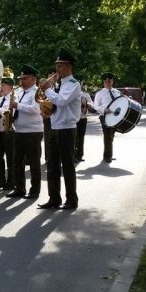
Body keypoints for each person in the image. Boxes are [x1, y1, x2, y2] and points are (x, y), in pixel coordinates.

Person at [38, 48, 82, 210]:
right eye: (57, 65)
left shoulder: (73, 84)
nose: (57, 69)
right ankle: (54, 198)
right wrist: (47, 112)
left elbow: (62, 101)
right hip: (54, 127)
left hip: (67, 129)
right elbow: (56, 105)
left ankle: (71, 199)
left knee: (68, 165)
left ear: (69, 66)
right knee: (52, 164)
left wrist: (47, 89)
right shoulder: (59, 84)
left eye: (60, 65)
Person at [6, 65, 43, 199]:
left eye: (24, 78)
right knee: (17, 162)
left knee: (33, 162)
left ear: (32, 79)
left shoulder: (37, 92)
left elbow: (36, 109)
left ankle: (34, 191)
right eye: (20, 78)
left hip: (33, 131)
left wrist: (18, 106)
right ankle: (19, 188)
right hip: (19, 131)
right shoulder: (20, 92)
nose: (21, 81)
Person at [0, 76, 15, 190]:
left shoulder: (13, 98)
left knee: (10, 157)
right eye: (1, 85)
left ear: (10, 87)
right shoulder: (1, 98)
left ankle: (11, 182)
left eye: (3, 85)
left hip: (8, 130)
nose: (1, 87)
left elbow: (9, 112)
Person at [93, 72, 121, 163]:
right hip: (104, 116)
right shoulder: (100, 93)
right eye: (106, 82)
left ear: (112, 81)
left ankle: (109, 154)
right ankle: (107, 156)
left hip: (115, 117)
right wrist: (104, 110)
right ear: (103, 83)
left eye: (109, 81)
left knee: (111, 135)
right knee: (107, 136)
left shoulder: (117, 92)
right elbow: (95, 106)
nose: (107, 83)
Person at [74, 74, 94, 165]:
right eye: (77, 82)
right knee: (73, 137)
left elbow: (91, 103)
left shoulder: (85, 94)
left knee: (81, 137)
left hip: (83, 118)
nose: (79, 83)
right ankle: (73, 155)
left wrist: (86, 104)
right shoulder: (72, 94)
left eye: (80, 82)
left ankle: (80, 155)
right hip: (74, 118)